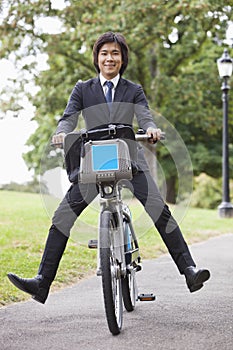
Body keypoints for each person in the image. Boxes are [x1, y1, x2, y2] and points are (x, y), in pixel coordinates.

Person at [8, 32, 210, 304]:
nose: (109, 58)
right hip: (96, 160)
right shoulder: (83, 89)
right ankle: (42, 282)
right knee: (62, 218)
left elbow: (145, 116)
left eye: (115, 53)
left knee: (160, 211)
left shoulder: (133, 90)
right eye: (104, 53)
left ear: (122, 58)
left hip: (130, 160)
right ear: (97, 58)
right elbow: (68, 118)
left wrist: (150, 129)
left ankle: (189, 271)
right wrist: (61, 133)